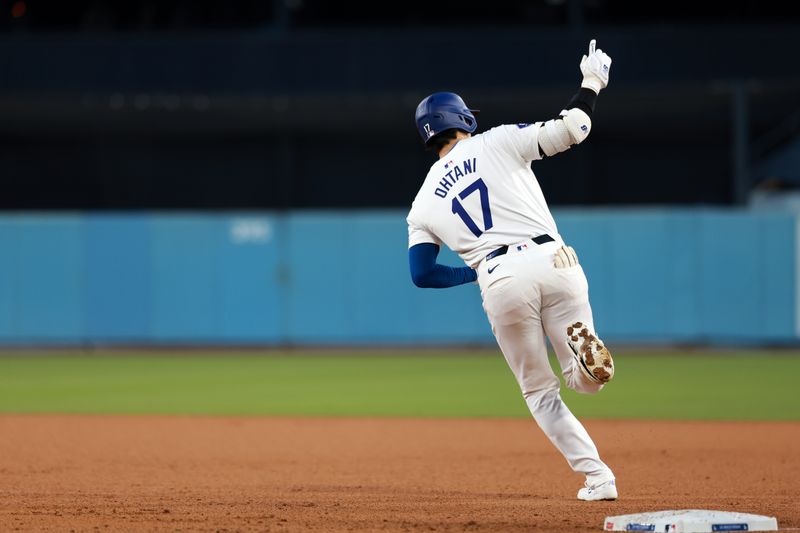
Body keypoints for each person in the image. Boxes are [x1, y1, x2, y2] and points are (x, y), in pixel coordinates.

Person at [406, 40, 617, 501]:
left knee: (541, 394)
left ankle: (599, 479)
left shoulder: (421, 204)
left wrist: (474, 274)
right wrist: (592, 81)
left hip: (499, 277)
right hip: (555, 259)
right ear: (461, 120)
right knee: (583, 385)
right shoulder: (497, 140)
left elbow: (422, 273)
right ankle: (585, 359)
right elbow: (575, 127)